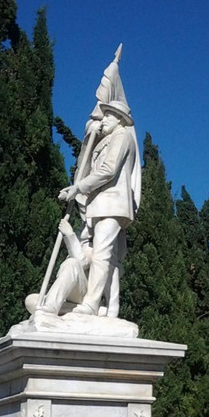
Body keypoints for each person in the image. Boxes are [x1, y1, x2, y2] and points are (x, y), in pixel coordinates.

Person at [57, 98, 139, 317]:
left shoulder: (122, 136)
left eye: (109, 115)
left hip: (112, 204)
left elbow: (108, 170)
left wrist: (78, 188)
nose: (103, 120)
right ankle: (111, 309)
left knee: (101, 254)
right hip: (103, 204)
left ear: (120, 119)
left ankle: (92, 303)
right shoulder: (110, 138)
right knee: (107, 258)